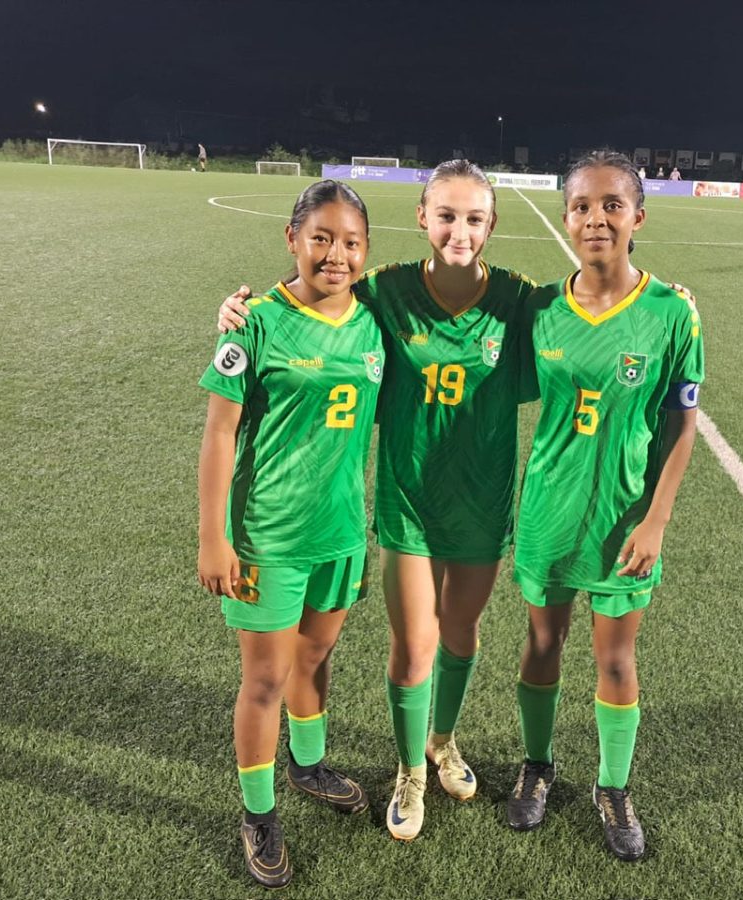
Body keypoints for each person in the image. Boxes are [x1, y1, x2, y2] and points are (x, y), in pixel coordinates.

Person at [218, 160, 539, 842]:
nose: (459, 229)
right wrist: (238, 311)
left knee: (456, 637)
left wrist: (666, 294)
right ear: (421, 218)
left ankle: (440, 743)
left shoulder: (516, 299)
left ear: (491, 224)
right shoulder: (384, 294)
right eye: (446, 215)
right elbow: (306, 304)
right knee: (411, 647)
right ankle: (406, 771)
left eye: (474, 217)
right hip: (403, 508)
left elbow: (587, 310)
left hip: (479, 506)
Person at [505, 150, 704, 862]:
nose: (596, 218)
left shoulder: (670, 312)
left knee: (615, 660)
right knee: (542, 645)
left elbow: (683, 427)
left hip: (626, 523)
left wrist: (656, 520)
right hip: (549, 513)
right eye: (583, 206)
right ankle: (538, 764)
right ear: (566, 219)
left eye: (612, 204)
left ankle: (612, 785)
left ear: (638, 217)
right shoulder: (539, 310)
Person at [198, 180, 382, 888]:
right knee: (266, 677)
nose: (336, 254)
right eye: (322, 239)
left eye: (352, 242)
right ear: (292, 239)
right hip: (267, 538)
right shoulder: (254, 321)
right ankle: (259, 814)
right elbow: (219, 434)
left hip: (339, 533)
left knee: (315, 660)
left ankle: (307, 765)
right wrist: (215, 538)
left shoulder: (373, 323)